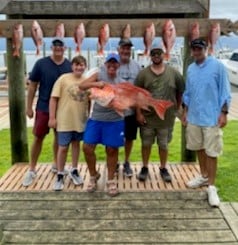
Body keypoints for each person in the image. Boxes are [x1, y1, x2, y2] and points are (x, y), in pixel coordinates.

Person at [182, 38, 231, 207]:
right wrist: (185, 112)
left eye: (199, 48)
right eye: (194, 49)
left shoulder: (218, 66)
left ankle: (211, 186)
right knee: (199, 148)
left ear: (206, 48)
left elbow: (225, 91)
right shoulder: (190, 69)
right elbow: (187, 93)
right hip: (194, 116)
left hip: (212, 117)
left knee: (212, 152)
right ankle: (203, 175)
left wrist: (224, 113)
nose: (196, 51)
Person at [22, 38, 72, 187]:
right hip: (43, 107)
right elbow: (32, 87)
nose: (58, 48)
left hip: (62, 109)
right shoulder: (40, 64)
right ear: (51, 47)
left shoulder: (69, 65)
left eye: (60, 46)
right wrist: (29, 107)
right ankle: (31, 169)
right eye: (55, 45)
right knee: (38, 138)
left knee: (59, 138)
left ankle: (56, 164)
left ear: (65, 48)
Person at [135, 43, 184, 182]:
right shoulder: (143, 74)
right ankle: (144, 167)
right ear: (150, 56)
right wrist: (139, 113)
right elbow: (137, 95)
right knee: (146, 144)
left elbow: (180, 92)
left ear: (164, 54)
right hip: (147, 118)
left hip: (166, 119)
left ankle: (163, 168)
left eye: (159, 53)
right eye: (154, 53)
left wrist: (176, 109)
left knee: (164, 145)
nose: (156, 56)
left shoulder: (174, 73)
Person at [79, 53, 124, 197]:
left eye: (114, 63)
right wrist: (96, 84)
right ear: (105, 64)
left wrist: (117, 105)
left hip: (115, 120)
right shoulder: (98, 74)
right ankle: (93, 175)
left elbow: (124, 104)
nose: (112, 66)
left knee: (112, 150)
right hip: (96, 118)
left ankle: (111, 180)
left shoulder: (121, 81)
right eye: (109, 63)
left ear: (118, 65)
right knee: (87, 147)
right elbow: (82, 85)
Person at [48, 55, 89, 191]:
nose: (79, 67)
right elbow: (53, 99)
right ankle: (60, 174)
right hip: (64, 120)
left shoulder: (88, 81)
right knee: (63, 147)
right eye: (76, 64)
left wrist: (89, 116)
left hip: (80, 120)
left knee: (76, 145)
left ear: (85, 67)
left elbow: (90, 101)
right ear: (72, 66)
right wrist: (52, 117)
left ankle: (74, 169)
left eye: (82, 65)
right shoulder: (63, 79)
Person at [116, 38, 141, 177]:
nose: (126, 51)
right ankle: (113, 163)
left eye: (128, 49)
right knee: (113, 138)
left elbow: (138, 91)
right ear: (118, 49)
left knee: (129, 138)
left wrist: (138, 112)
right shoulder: (112, 64)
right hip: (115, 111)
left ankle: (126, 162)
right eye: (123, 48)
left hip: (130, 111)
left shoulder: (137, 66)